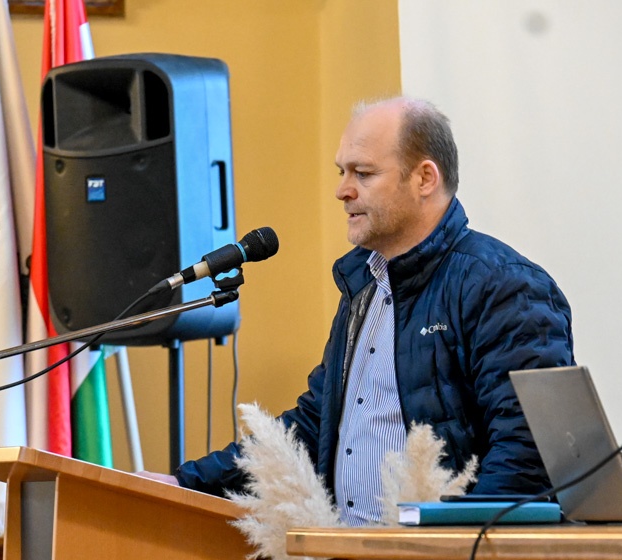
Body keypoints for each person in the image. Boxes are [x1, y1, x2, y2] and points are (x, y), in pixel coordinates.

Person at [141, 97, 575, 526]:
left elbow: (526, 453)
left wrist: (450, 549)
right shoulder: (363, 284)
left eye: (363, 173)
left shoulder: (503, 285)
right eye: (342, 172)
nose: (342, 190)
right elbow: (314, 427)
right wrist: (185, 483)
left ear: (424, 178)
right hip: (350, 557)